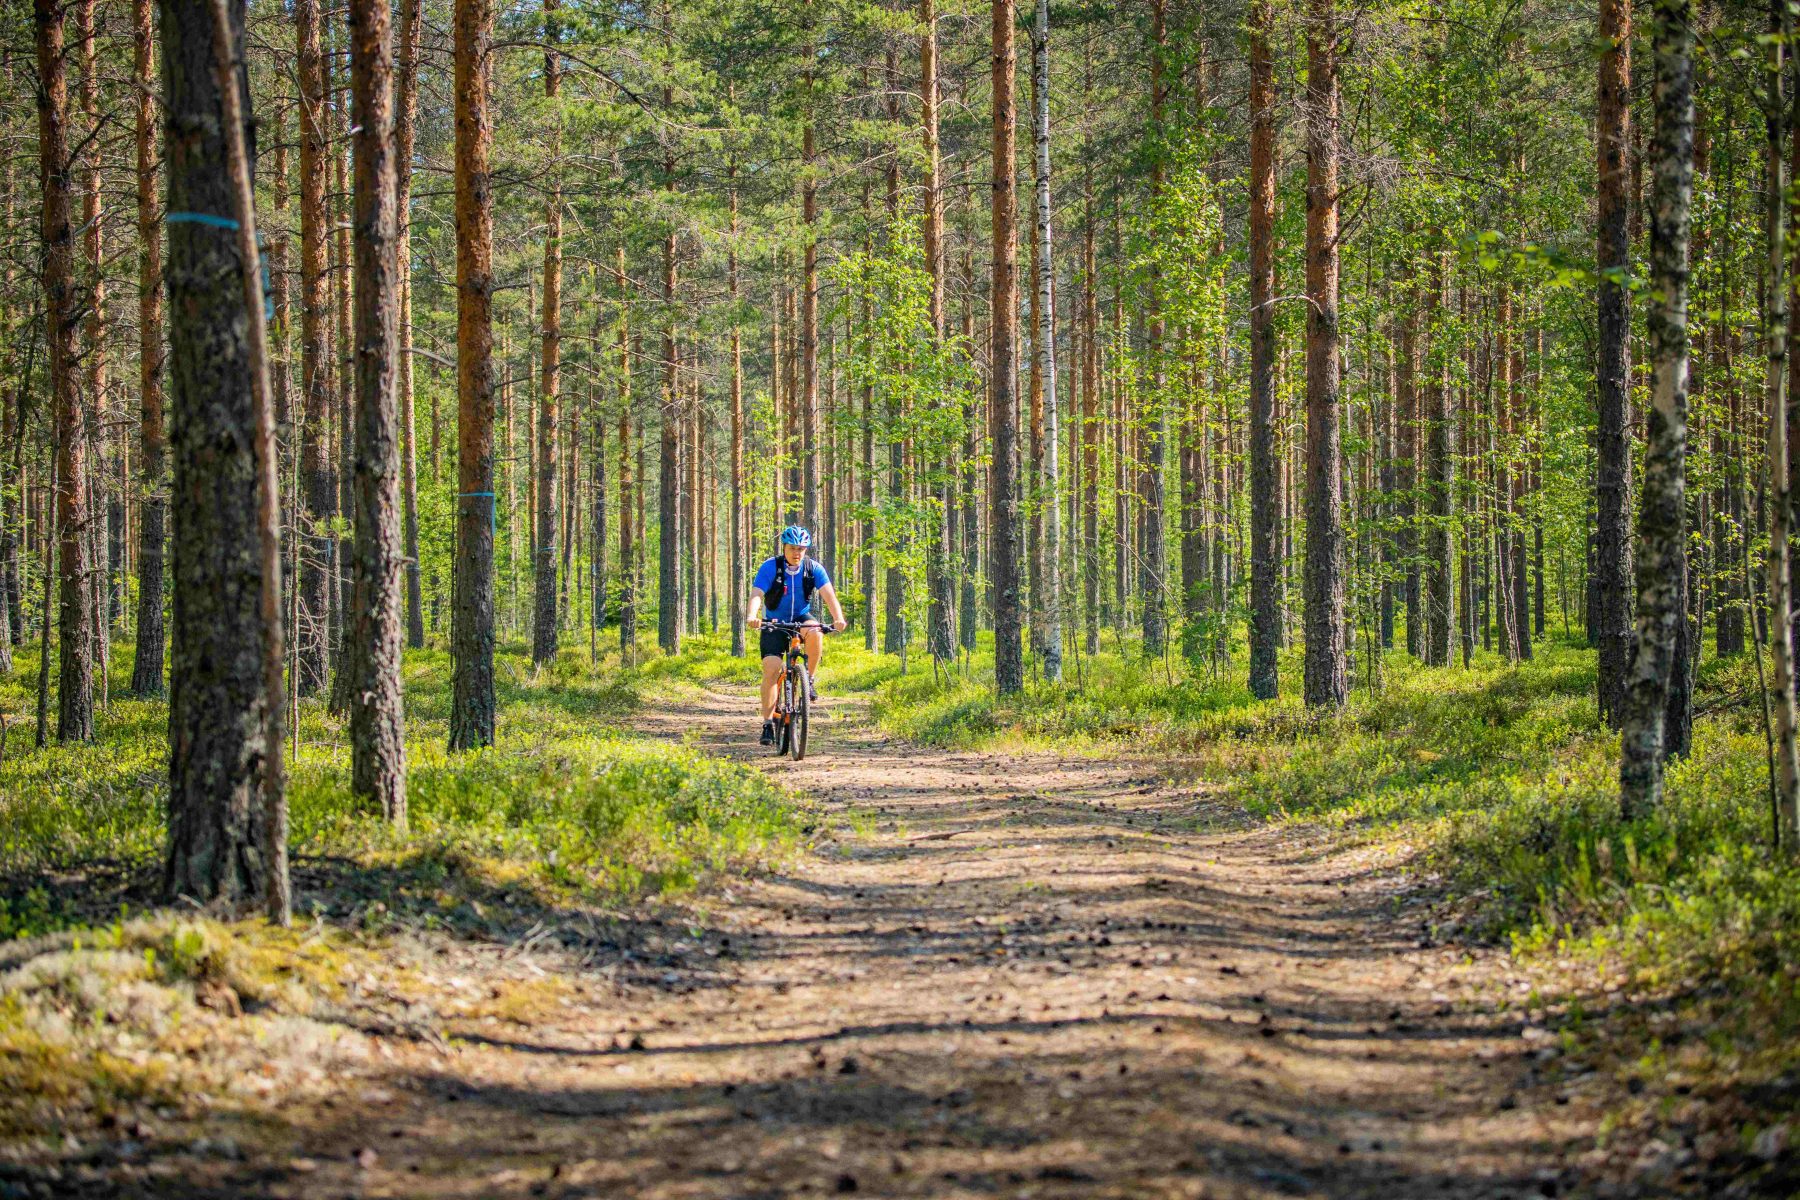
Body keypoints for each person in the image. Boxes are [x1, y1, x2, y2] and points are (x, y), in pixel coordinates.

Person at [746, 526, 847, 745]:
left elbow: (830, 596)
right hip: (773, 621)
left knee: (815, 632)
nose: (797, 553)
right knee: (772, 669)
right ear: (784, 547)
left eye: (801, 549)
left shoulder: (813, 568)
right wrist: (752, 616)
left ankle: (808, 679)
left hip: (800, 617)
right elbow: (757, 594)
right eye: (792, 548)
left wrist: (838, 618)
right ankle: (767, 724)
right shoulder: (770, 567)